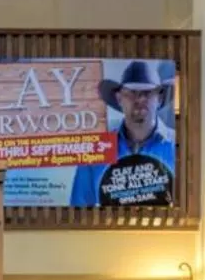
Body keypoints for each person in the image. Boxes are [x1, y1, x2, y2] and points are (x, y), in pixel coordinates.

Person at [69, 60, 176, 206]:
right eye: (132, 93)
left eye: (147, 92)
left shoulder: (180, 146)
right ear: (119, 98)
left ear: (160, 98)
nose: (140, 99)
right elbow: (78, 213)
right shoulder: (95, 152)